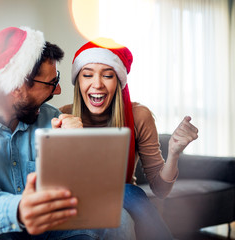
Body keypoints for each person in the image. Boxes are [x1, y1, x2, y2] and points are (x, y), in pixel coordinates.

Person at [0, 27, 135, 239]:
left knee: (119, 219)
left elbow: (87, 193)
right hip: (1, 227)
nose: (58, 91)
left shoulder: (52, 118)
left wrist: (79, 146)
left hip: (53, 228)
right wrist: (20, 209)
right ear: (16, 86)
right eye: (52, 83)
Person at [56, 38, 199, 240]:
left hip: (122, 200)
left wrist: (174, 153)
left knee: (127, 201)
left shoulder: (139, 116)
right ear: (78, 81)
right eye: (87, 75)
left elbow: (160, 189)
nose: (97, 84)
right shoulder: (62, 116)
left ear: (119, 82)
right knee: (132, 193)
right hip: (75, 203)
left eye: (107, 75)